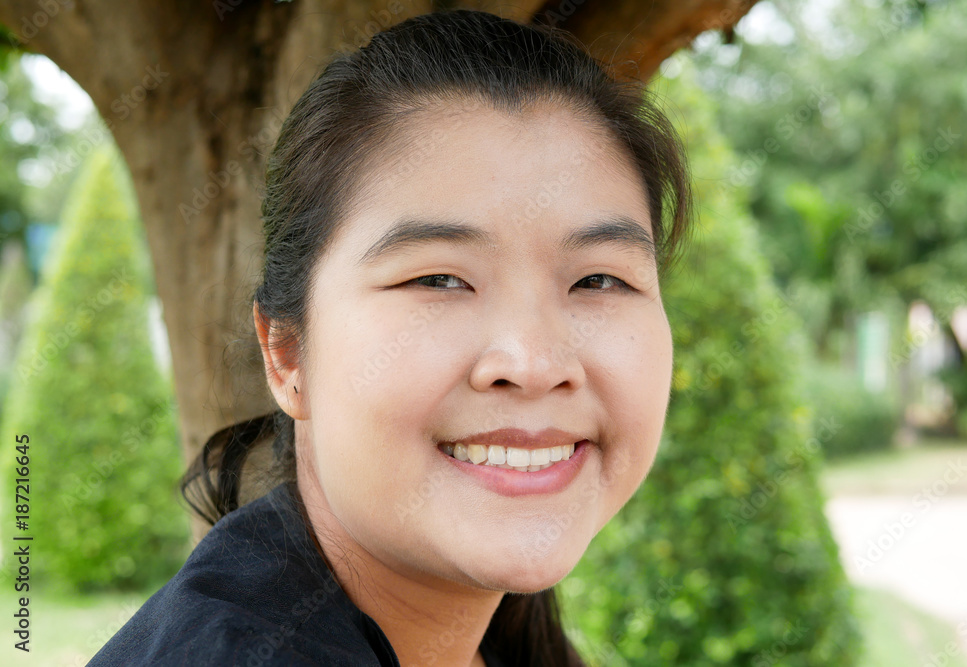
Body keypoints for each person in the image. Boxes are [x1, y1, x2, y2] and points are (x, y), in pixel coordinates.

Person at [88, 8, 692, 666]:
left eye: (599, 280)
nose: (534, 361)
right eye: (438, 278)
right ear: (286, 352)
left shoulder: (490, 628)